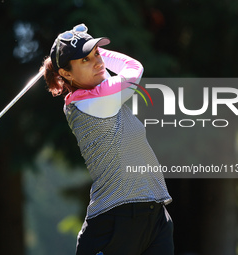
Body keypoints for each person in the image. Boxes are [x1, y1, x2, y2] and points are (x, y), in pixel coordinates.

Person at [41, 23, 174, 255]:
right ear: (65, 74)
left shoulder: (98, 92)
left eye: (97, 54)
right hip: (114, 223)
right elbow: (133, 67)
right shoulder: (91, 100)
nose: (98, 63)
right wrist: (95, 50)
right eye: (85, 60)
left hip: (154, 217)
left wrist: (85, 46)